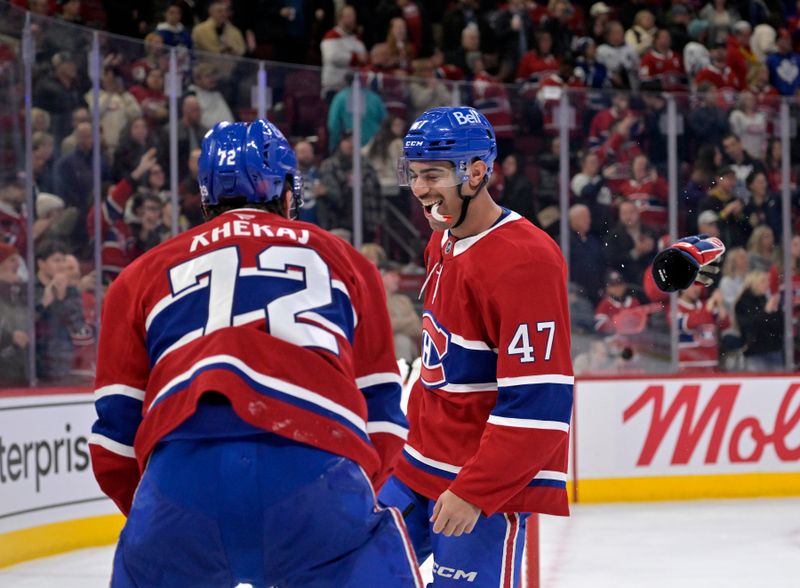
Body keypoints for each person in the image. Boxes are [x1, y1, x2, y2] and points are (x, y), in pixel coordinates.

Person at [89, 118, 422, 587]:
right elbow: (384, 416)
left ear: (206, 197)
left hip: (180, 482)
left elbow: (113, 440)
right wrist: (347, 495)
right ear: (287, 191)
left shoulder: (141, 273)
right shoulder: (347, 260)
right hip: (318, 467)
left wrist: (158, 513)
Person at [379, 107, 573, 585]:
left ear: (477, 173)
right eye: (414, 175)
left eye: (433, 175)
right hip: (416, 466)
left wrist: (476, 490)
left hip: (475, 485)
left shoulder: (526, 262)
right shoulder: (444, 240)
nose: (420, 189)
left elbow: (540, 405)